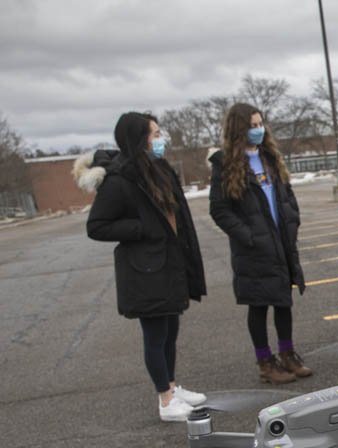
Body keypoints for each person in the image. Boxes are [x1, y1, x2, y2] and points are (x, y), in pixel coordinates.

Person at [84, 111, 208, 421]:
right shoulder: (120, 180)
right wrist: (140, 228)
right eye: (154, 135)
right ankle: (165, 400)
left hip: (169, 264)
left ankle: (172, 386)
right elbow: (97, 226)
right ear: (138, 139)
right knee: (155, 335)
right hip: (145, 270)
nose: (159, 139)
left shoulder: (160, 170)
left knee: (170, 330)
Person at [208, 103, 311, 385]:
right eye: (252, 126)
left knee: (283, 301)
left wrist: (292, 220)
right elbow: (219, 210)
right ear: (238, 129)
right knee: (259, 304)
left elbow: (286, 195)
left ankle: (288, 353)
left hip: (281, 242)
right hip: (253, 249)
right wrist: (247, 236)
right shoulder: (225, 164)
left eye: (260, 124)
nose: (258, 130)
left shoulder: (269, 157)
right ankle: (265, 361)